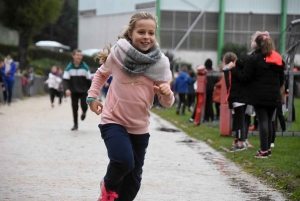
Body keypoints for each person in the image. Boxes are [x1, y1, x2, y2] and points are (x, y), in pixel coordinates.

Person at [86, 12, 174, 201]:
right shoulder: (117, 55)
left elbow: (167, 102)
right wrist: (92, 97)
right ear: (131, 33)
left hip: (140, 127)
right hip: (113, 120)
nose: (146, 37)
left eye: (151, 33)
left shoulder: (160, 64)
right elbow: (101, 74)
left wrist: (167, 93)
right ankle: (107, 186)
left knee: (132, 186)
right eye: (141, 32)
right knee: (123, 161)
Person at [229, 31, 285, 158]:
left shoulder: (253, 58)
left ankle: (263, 150)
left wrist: (234, 69)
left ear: (257, 44)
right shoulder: (277, 57)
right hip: (274, 94)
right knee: (270, 121)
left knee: (263, 121)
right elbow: (282, 78)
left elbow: (245, 77)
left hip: (259, 95)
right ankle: (268, 148)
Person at [63, 49, 91, 131]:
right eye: (77, 55)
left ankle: (84, 113)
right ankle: (75, 124)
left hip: (83, 91)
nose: (79, 56)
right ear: (73, 56)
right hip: (73, 91)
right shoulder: (69, 68)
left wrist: (91, 91)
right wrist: (67, 89)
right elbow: (65, 80)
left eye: (80, 55)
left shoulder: (85, 68)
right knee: (74, 107)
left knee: (84, 106)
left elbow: (89, 80)